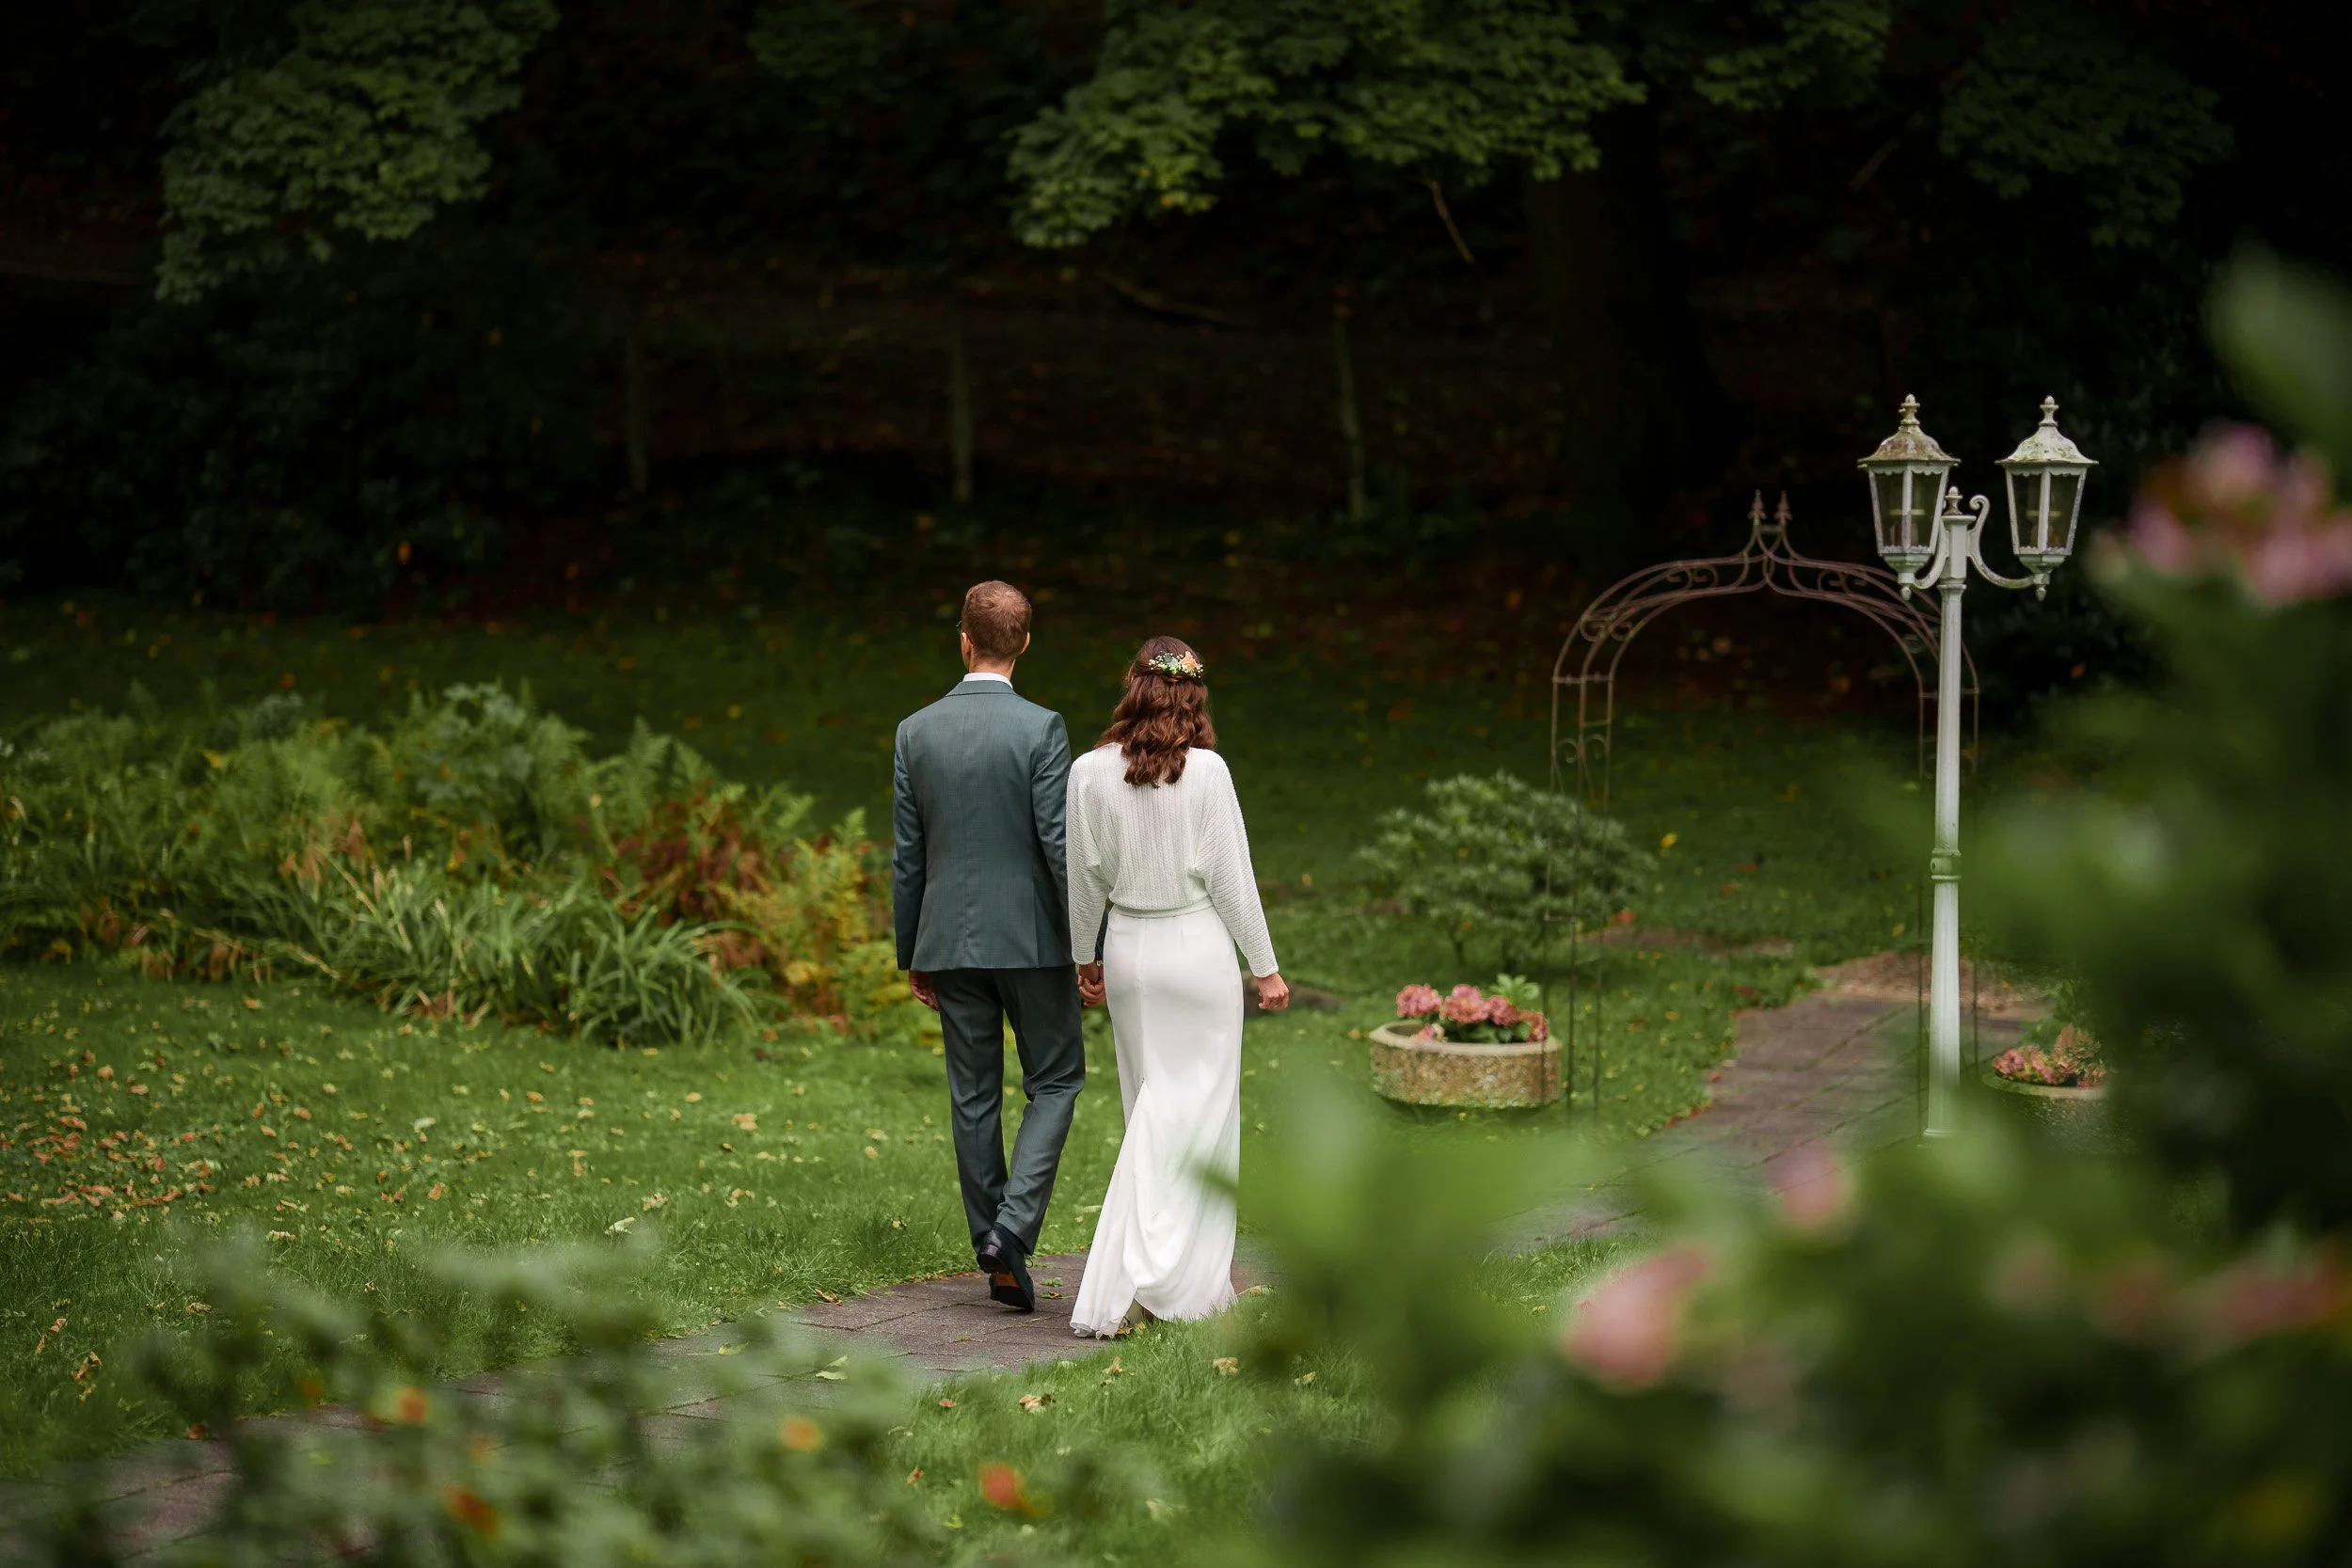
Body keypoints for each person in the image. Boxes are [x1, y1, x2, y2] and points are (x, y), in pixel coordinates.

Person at [1066, 636, 1289, 1338]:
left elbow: (1083, 876)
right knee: (1200, 1115)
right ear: (1194, 698)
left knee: (1151, 1109)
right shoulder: (1211, 773)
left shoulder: (1087, 773)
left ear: (1132, 687)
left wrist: (1085, 955)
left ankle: (1160, 1276)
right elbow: (1232, 878)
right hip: (1197, 951)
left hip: (1130, 950)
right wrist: (1265, 964)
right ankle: (1171, 1278)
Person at [892, 580, 1085, 1313]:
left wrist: (912, 947)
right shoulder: (1042, 729)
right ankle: (1011, 1229)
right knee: (1058, 1079)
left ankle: (991, 1243)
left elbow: (908, 853)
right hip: (1032, 938)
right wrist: (1085, 940)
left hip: (946, 938)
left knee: (972, 1093)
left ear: (963, 639)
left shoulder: (916, 731)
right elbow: (1058, 843)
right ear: (1025, 643)